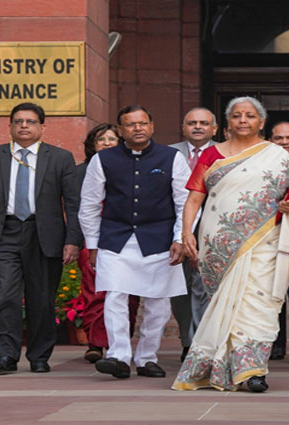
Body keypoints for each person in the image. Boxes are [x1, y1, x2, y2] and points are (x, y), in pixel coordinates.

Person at [172, 97, 289, 392]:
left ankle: (253, 371)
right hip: (218, 242)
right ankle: (217, 366)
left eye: (250, 116)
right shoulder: (211, 155)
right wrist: (186, 232)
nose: (243, 120)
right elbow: (194, 199)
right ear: (228, 123)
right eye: (236, 115)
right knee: (223, 305)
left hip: (264, 242)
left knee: (258, 304)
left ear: (261, 122)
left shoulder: (276, 155)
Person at [0, 102, 82, 375]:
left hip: (44, 235)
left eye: (30, 122)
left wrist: (73, 240)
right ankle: (5, 356)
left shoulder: (60, 158)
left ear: (42, 127)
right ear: (10, 126)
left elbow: (74, 203)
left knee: (41, 298)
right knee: (5, 294)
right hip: (4, 232)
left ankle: (39, 356)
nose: (24, 126)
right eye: (18, 121)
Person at [79, 105, 189, 379]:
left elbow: (184, 203)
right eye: (130, 124)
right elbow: (89, 205)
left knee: (159, 303)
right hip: (116, 240)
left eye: (142, 123)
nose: (137, 128)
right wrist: (92, 244)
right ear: (120, 130)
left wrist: (180, 238)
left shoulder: (172, 158)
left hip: (161, 240)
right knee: (115, 296)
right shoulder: (102, 160)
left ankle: (147, 358)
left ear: (152, 126)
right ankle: (118, 356)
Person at [76, 124, 139, 363]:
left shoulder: (132, 168)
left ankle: (119, 343)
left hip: (126, 237)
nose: (107, 142)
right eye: (101, 139)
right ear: (93, 144)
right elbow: (76, 209)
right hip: (92, 238)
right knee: (95, 292)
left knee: (127, 292)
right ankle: (95, 343)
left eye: (113, 138)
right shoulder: (80, 172)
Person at [169, 107, 219, 362]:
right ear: (184, 127)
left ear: (214, 129)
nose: (197, 127)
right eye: (192, 123)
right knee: (179, 289)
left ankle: (198, 343)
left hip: (211, 228)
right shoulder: (168, 153)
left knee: (203, 286)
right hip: (176, 228)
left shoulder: (225, 152)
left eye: (203, 123)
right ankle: (187, 339)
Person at [268, 121, 289, 360]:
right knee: (273, 290)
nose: (284, 142)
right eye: (278, 138)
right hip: (270, 236)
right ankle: (275, 343)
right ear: (270, 141)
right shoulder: (263, 165)